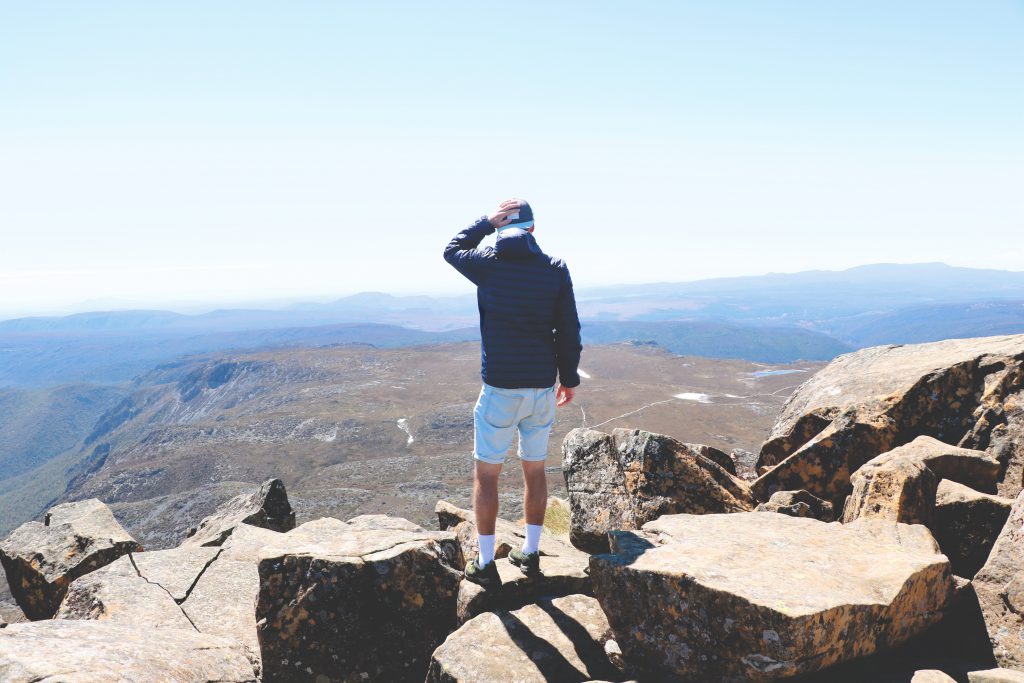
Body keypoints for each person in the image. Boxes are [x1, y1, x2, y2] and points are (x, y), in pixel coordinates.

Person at [443, 198, 582, 588]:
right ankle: (531, 553)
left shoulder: (487, 265)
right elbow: (568, 329)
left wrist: (484, 223)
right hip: (541, 388)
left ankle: (487, 564)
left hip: (500, 388)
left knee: (487, 475)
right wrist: (568, 378)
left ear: (502, 228)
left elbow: (451, 250)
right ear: (534, 229)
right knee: (534, 469)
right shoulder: (554, 269)